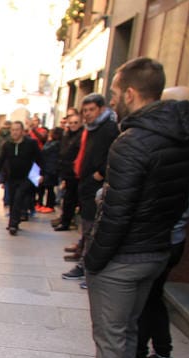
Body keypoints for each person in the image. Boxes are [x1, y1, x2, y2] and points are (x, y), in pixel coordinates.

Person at [55, 57, 189, 358]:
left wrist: (95, 259)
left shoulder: (133, 141)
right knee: (127, 332)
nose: (113, 100)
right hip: (157, 249)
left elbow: (117, 211)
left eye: (116, 93)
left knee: (111, 335)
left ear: (132, 93)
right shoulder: (181, 138)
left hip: (125, 255)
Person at [132, 86, 189, 358]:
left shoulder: (180, 145)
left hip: (163, 236)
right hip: (169, 235)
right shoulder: (188, 143)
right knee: (152, 296)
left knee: (143, 297)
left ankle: (139, 357)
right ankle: (162, 353)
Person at [61, 93, 119, 283]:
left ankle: (89, 270)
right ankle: (85, 266)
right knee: (87, 228)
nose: (87, 114)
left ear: (101, 109)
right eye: (84, 110)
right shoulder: (91, 129)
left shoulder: (109, 128)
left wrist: (101, 172)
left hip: (96, 185)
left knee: (93, 230)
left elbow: (114, 153)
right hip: (85, 183)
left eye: (91, 110)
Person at [0, 121, 42, 236]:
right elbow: (0, 161)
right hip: (12, 177)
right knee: (13, 200)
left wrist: (41, 174)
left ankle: (13, 224)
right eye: (12, 130)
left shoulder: (31, 144)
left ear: (22, 131)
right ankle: (14, 221)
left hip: (26, 177)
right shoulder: (7, 145)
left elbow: (40, 159)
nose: (14, 132)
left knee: (19, 197)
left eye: (17, 130)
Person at [54, 112, 84, 232]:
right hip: (67, 172)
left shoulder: (82, 135)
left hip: (77, 172)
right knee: (68, 197)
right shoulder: (67, 136)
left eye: (76, 122)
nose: (73, 125)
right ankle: (65, 220)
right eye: (71, 123)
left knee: (72, 198)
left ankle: (67, 221)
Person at [36, 127, 63, 212]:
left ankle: (49, 205)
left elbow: (44, 151)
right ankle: (40, 203)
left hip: (51, 169)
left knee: (49, 187)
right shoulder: (51, 142)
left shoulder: (56, 144)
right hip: (46, 167)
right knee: (42, 186)